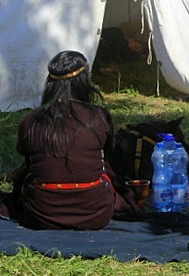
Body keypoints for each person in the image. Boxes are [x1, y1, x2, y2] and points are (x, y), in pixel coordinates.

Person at [8, 51, 136, 230]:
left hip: (41, 214)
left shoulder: (31, 120)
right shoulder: (98, 116)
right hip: (95, 214)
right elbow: (106, 152)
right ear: (84, 81)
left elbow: (27, 157)